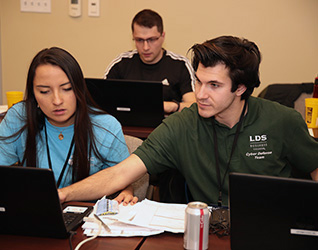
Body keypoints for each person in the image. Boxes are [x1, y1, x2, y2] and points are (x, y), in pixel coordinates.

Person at [57, 35, 318, 206]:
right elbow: (119, 174)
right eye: (198, 81)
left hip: (269, 231)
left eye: (214, 85)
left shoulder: (282, 121)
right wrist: (64, 194)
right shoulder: (182, 124)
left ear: (240, 88)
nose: (200, 94)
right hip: (207, 230)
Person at [0, 47, 137, 205]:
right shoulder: (20, 117)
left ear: (79, 89)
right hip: (33, 211)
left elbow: (122, 178)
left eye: (66, 89)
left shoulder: (105, 126)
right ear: (33, 94)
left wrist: (126, 191)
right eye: (44, 91)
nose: (57, 101)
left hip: (86, 218)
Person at [104, 9, 196, 114]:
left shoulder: (180, 65)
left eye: (152, 39)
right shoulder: (120, 63)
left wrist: (173, 106)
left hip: (168, 126)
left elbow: (194, 106)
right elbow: (102, 102)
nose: (146, 47)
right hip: (127, 126)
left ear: (162, 36)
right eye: (139, 40)